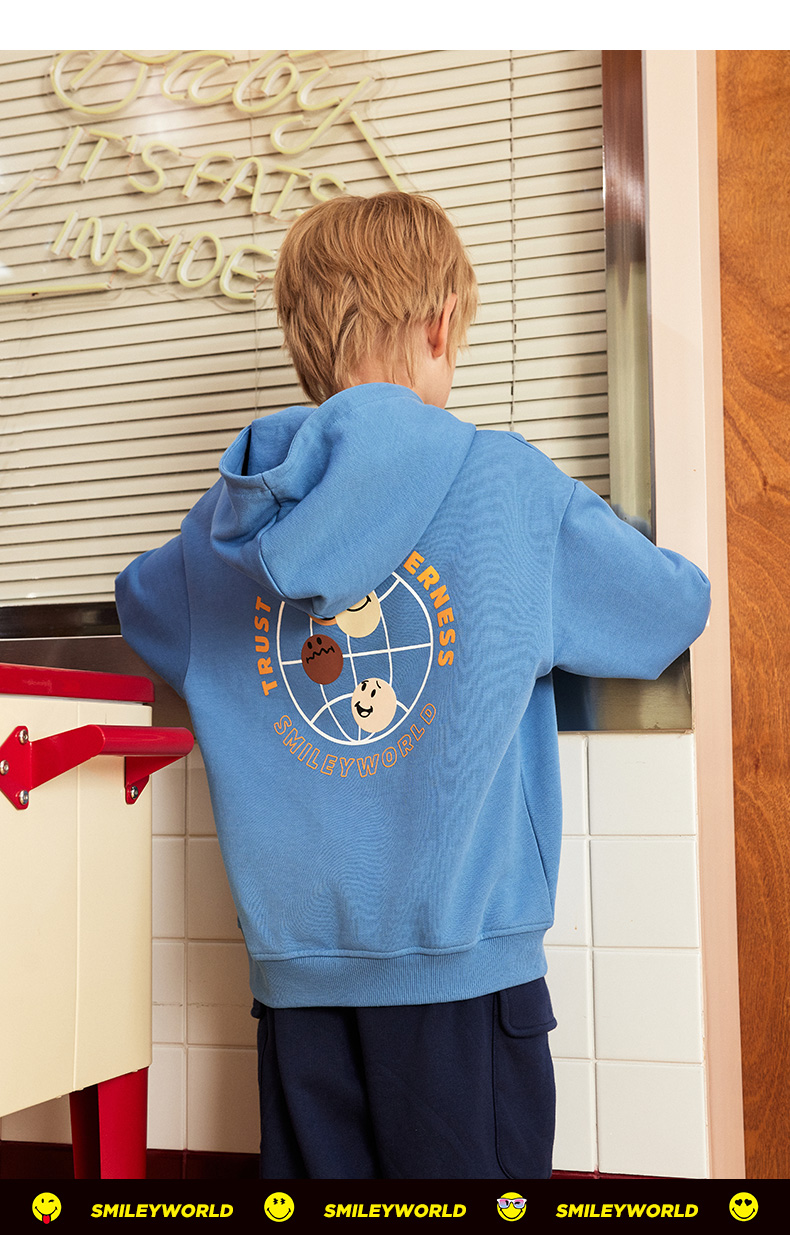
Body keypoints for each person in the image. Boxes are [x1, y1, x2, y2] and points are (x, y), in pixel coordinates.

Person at [115, 191, 711, 1180]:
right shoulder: (508, 489)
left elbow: (143, 609)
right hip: (466, 985)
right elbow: (670, 609)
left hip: (298, 996)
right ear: (440, 326)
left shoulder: (226, 526)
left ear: (303, 339)